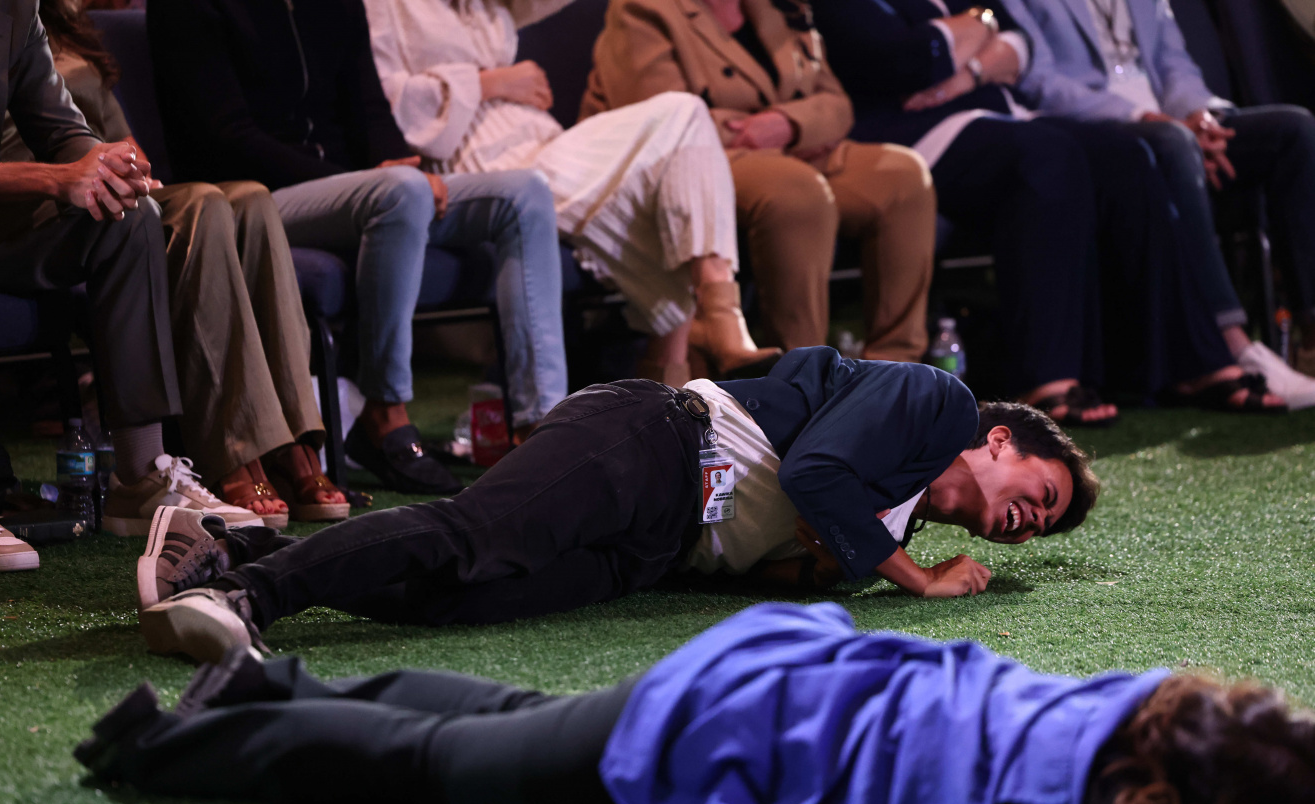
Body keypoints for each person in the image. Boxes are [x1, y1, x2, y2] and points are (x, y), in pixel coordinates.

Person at [78, 602, 1315, 804]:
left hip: (781, 673)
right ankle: (155, 748)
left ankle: (265, 684)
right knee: (434, 765)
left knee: (510, 716)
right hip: (746, 733)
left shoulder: (1148, 702)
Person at [129, 346, 1098, 663]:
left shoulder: (898, 512)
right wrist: (911, 581)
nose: (1029, 521)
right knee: (473, 535)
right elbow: (812, 475)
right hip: (653, 441)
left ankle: (233, 546)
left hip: (658, 545)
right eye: (1042, 495)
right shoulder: (938, 402)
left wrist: (833, 560)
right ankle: (246, 599)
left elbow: (781, 552)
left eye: (1041, 528)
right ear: (1001, 442)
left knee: (463, 596)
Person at [145, 0, 569, 494]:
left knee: (524, 194)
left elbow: (369, 106)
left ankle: (539, 427)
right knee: (401, 192)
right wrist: (369, 180)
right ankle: (384, 411)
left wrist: (395, 162)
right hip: (247, 200)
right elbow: (225, 138)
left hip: (354, 191)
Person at [812, 0, 1289, 418]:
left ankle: (1186, 361)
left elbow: (1018, 40)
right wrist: (978, 33)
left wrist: (971, 47)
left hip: (996, 113)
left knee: (1125, 155)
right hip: (909, 135)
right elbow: (903, 61)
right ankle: (1047, 376)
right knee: (1045, 157)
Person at [0, 0, 348, 527]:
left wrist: (128, 165)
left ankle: (294, 442)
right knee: (200, 205)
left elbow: (107, 136)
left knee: (252, 200)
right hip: (37, 201)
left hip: (99, 179)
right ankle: (235, 454)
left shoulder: (51, 22)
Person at [0, 0, 261, 570]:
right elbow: (53, 169)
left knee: (127, 214)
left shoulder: (13, 8)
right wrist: (56, 177)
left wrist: (104, 166)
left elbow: (60, 128)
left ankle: (142, 475)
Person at [361, 0, 781, 387]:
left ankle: (675, 381)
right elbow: (380, 102)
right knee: (682, 114)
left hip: (543, 144)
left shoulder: (486, 4)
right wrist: (489, 83)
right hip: (484, 166)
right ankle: (715, 321)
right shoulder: (386, 7)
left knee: (670, 173)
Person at [580, 0, 935, 362]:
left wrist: (789, 124)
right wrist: (762, 134)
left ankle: (896, 372)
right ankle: (804, 374)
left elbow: (836, 103)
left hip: (793, 149)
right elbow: (658, 121)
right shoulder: (643, 10)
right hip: (695, 162)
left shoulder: (780, 6)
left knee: (903, 176)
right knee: (795, 191)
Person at [1002, 0, 1315, 402]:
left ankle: (1311, 338)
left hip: (1172, 121)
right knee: (1173, 144)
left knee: (1294, 131)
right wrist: (1147, 118)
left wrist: (1198, 115)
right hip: (1096, 125)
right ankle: (1231, 343)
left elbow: (1175, 63)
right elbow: (1038, 81)